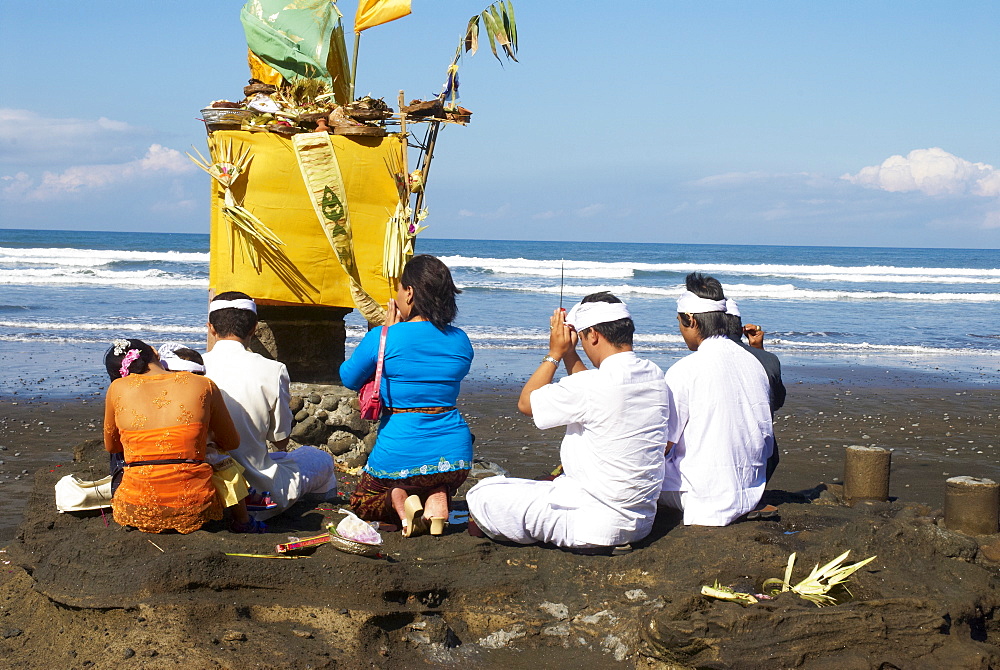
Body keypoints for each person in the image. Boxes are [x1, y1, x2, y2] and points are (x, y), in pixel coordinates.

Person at [466, 293, 669, 552]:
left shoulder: (591, 386)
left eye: (583, 338)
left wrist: (554, 353)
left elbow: (527, 403)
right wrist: (570, 353)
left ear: (593, 335)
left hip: (590, 523)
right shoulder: (654, 374)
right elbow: (591, 390)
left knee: (483, 494)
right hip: (640, 521)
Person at [340, 255, 474, 537]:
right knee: (433, 477)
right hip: (455, 458)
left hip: (400, 449)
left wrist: (382, 333)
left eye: (400, 289)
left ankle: (398, 498)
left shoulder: (384, 337)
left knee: (363, 502)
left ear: (410, 293)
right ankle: (438, 493)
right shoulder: (461, 339)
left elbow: (349, 377)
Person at [202, 292, 337, 522]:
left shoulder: (194, 367)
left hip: (206, 492)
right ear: (254, 328)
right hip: (259, 496)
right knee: (317, 458)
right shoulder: (273, 370)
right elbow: (280, 440)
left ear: (211, 328)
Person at [659, 273, 774, 526]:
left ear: (690, 320)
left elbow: (664, 442)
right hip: (751, 486)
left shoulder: (686, 368)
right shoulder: (753, 363)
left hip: (703, 492)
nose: (680, 330)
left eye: (679, 322)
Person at [103, 338, 240, 533]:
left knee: (125, 444)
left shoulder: (117, 388)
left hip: (136, 509)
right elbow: (231, 442)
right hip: (194, 507)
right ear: (154, 351)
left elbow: (112, 447)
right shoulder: (203, 384)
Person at [159, 343, 262, 532]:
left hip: (157, 455)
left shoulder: (156, 396)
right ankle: (243, 521)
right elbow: (230, 440)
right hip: (195, 455)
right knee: (227, 470)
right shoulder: (203, 393)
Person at [723, 300, 785, 482]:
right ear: (740, 328)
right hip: (762, 460)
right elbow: (777, 402)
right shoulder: (769, 360)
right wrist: (758, 350)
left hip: (724, 461)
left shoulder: (702, 361)